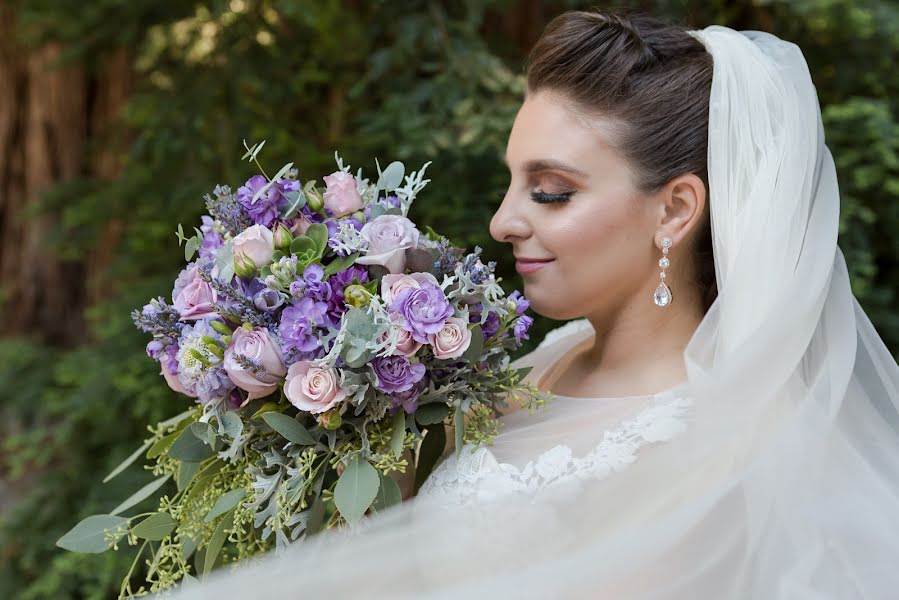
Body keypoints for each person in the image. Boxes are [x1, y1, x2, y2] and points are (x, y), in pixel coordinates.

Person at [173, 9, 899, 599]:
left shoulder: (719, 449)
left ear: (675, 210)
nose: (502, 221)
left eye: (550, 191)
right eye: (514, 183)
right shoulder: (532, 368)